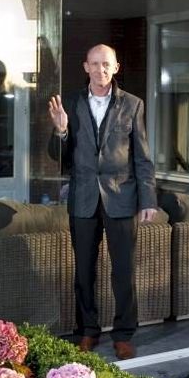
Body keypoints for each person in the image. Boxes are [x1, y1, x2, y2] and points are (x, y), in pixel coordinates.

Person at [48, 44, 157, 360]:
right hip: (83, 199)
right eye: (94, 64)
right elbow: (57, 157)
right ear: (85, 67)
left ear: (116, 67)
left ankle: (123, 334)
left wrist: (148, 199)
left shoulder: (132, 105)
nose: (100, 70)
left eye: (106, 64)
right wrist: (61, 131)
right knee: (83, 271)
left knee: (123, 271)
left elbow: (143, 157)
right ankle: (88, 331)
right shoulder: (70, 102)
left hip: (122, 198)